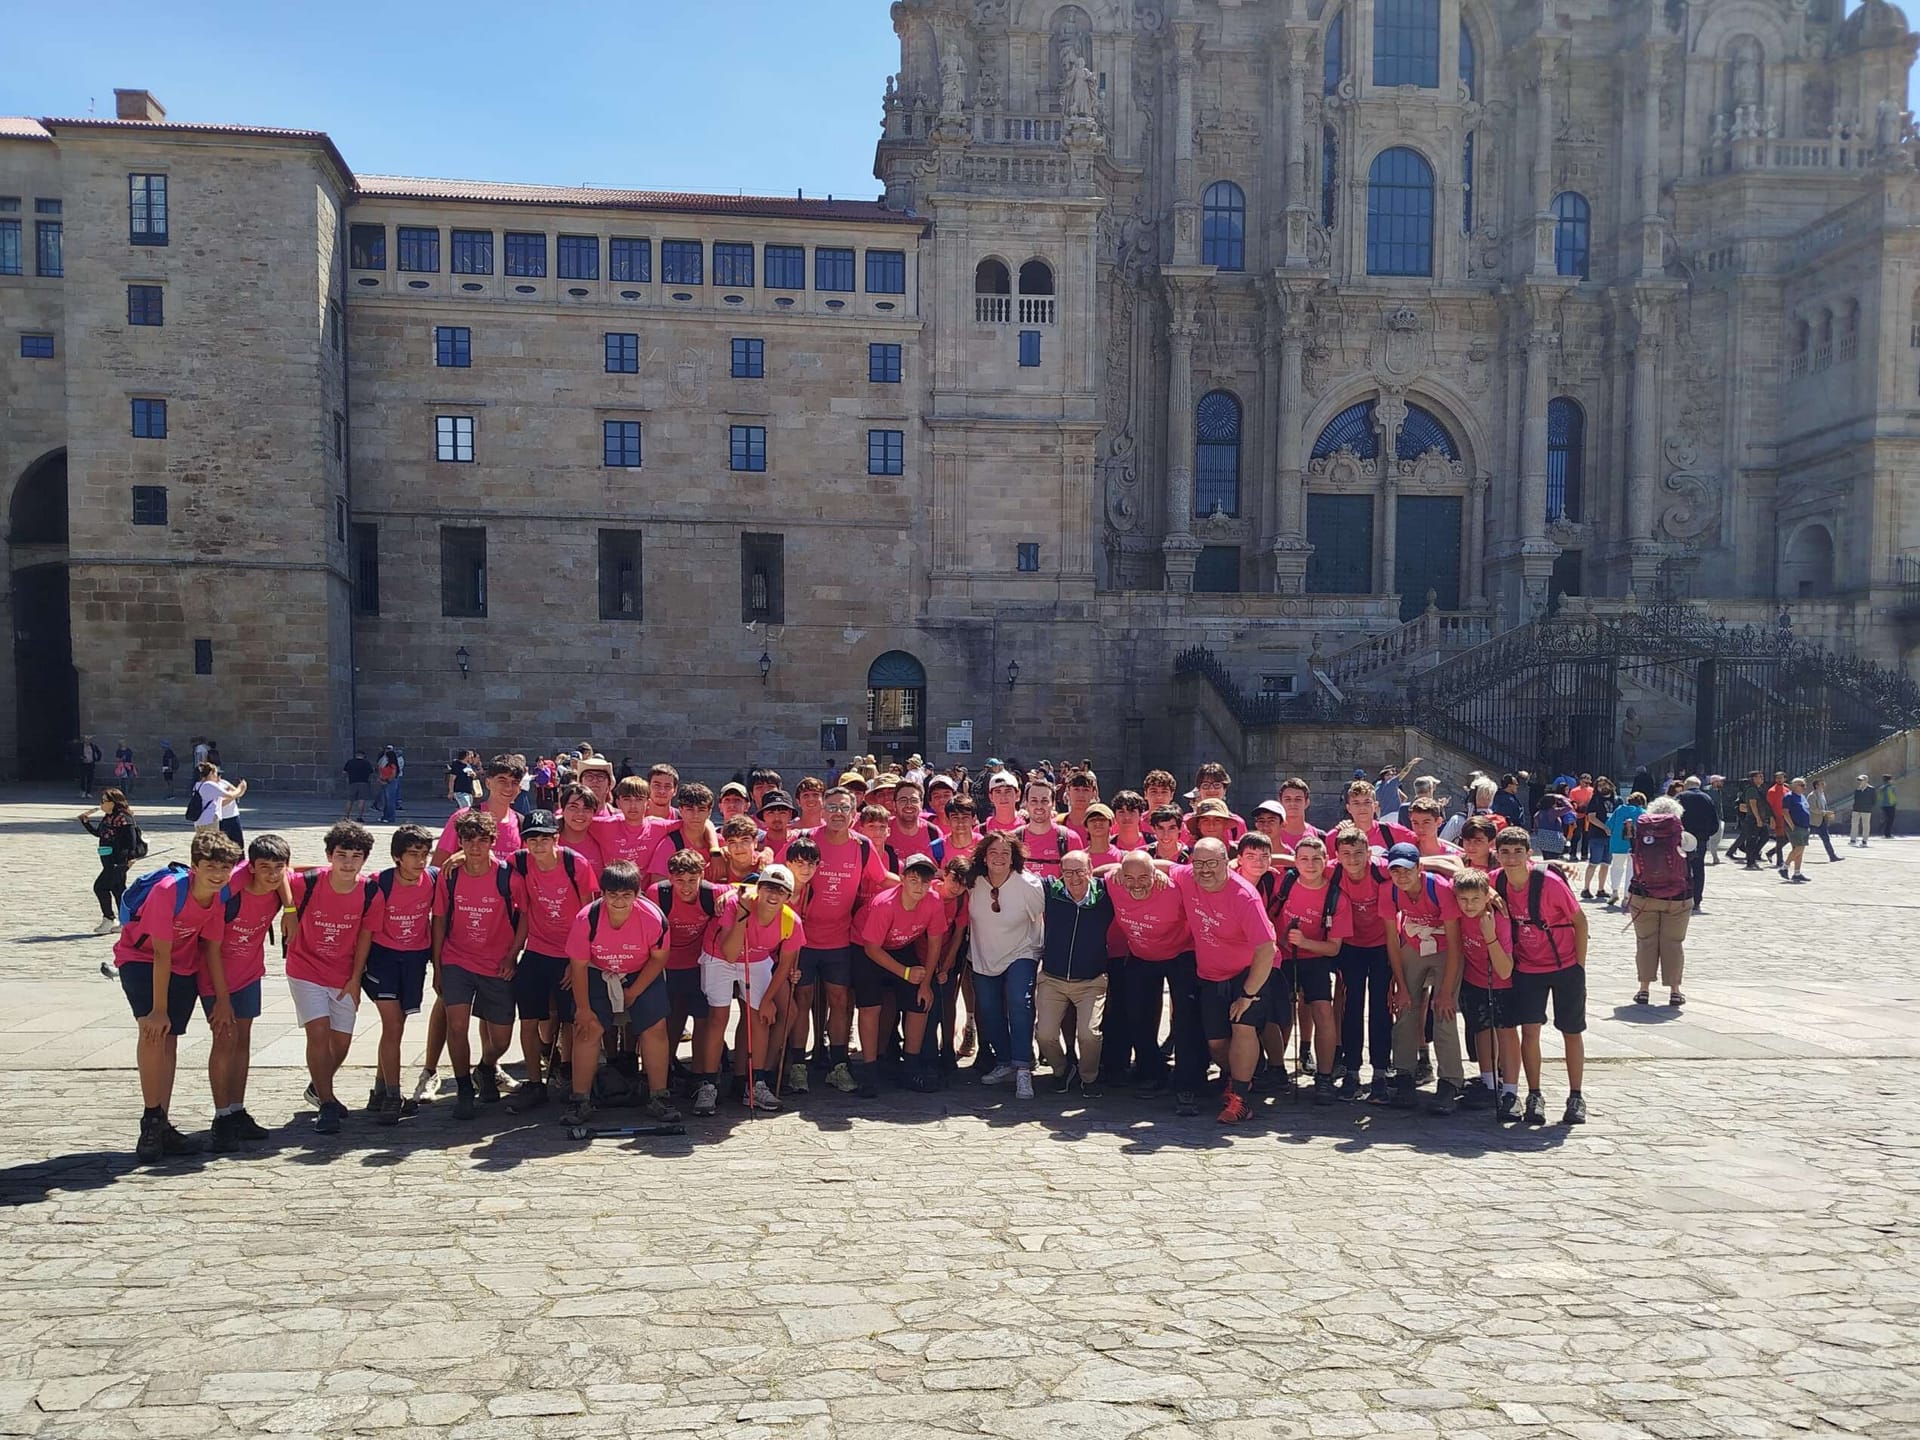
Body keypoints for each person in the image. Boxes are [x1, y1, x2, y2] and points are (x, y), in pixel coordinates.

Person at [112, 829, 242, 1161]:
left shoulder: (218, 896)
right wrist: (157, 1009)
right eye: (210, 867)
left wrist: (223, 1000)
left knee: (169, 1041)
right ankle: (151, 1120)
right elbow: (159, 954)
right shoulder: (169, 891)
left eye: (225, 868)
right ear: (194, 866)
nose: (218, 875)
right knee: (154, 1032)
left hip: (184, 966)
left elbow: (212, 948)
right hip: (141, 961)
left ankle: (162, 1122)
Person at [561, 860, 676, 1128]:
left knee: (655, 1028)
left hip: (642, 970)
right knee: (587, 1029)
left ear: (637, 895)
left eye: (626, 895)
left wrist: (635, 991)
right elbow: (577, 965)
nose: (619, 901)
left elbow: (659, 958)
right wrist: (583, 1008)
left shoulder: (654, 919)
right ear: (602, 894)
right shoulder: (586, 918)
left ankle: (659, 1095)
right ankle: (580, 1099)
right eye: (612, 895)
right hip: (596, 970)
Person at [1174, 836, 1279, 1123]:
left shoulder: (1244, 896)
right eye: (1199, 863)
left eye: (1212, 863)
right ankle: (1240, 1077)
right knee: (1217, 1042)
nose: (1205, 870)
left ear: (1226, 862)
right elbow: (1162, 867)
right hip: (1212, 973)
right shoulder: (1187, 876)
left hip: (1251, 969)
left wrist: (1248, 994)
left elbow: (1266, 949)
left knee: (1243, 1026)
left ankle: (1241, 1100)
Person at [792, 785, 889, 1093]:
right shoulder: (804, 841)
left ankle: (838, 1065)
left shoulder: (861, 846)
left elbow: (882, 877)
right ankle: (797, 1066)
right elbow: (778, 874)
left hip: (839, 939)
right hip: (801, 938)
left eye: (843, 808)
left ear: (853, 814)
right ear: (822, 811)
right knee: (802, 1001)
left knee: (839, 1001)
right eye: (831, 807)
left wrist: (925, 887)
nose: (837, 813)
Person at [1492, 826, 1589, 1125]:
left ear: (1528, 854)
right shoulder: (1496, 882)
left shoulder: (1548, 883)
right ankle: (1534, 1093)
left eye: (1517, 852)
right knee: (1530, 1031)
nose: (1511, 859)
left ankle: (1576, 1096)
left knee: (1571, 1031)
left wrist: (1579, 967)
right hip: (1528, 968)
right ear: (1497, 855)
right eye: (1505, 852)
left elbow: (1580, 922)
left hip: (1565, 965)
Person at [286, 821, 376, 1135]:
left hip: (343, 973)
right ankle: (327, 1103)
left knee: (341, 1042)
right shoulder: (307, 883)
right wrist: (288, 910)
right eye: (341, 855)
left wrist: (355, 979)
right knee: (319, 1034)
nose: (348, 862)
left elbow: (365, 937)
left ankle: (317, 1086)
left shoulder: (369, 890)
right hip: (305, 966)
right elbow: (275, 871)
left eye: (355, 856)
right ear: (329, 855)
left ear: (364, 860)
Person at [203, 833, 291, 1149]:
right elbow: (211, 949)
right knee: (224, 1042)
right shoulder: (228, 894)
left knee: (243, 1043)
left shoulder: (278, 886)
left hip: (250, 974)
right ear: (250, 867)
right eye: (264, 867)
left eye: (278, 867)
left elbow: (301, 873)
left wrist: (291, 911)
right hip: (216, 980)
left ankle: (238, 1110)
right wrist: (221, 999)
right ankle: (222, 1116)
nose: (271, 874)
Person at [506, 808, 599, 1110]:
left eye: (544, 839)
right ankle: (535, 1082)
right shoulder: (519, 862)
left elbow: (588, 916)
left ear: (556, 839)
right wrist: (513, 954)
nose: (537, 845)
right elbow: (520, 908)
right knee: (529, 1017)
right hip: (537, 948)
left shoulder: (575, 864)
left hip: (570, 951)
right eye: (531, 839)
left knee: (570, 1018)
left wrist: (578, 963)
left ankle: (567, 1072)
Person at [433, 809, 520, 1118]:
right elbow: (440, 919)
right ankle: (464, 1090)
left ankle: (485, 1068)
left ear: (493, 842)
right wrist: (438, 964)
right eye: (468, 840)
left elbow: (524, 916)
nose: (474, 847)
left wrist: (512, 955)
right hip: (457, 958)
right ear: (460, 842)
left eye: (482, 841)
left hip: (497, 963)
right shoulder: (450, 874)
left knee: (501, 1039)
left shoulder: (507, 875)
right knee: (456, 1026)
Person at [1105, 849, 1204, 1112]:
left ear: (1154, 874)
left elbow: (1185, 870)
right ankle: (1153, 1072)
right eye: (1130, 878)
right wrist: (1117, 869)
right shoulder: (1113, 882)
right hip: (1141, 954)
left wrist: (1161, 869)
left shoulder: (1172, 888)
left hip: (1180, 953)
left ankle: (1187, 1081)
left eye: (1143, 877)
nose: (1136, 884)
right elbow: (1090, 870)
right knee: (1137, 1016)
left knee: (1185, 1017)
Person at [357, 824, 441, 1124]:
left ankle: (379, 1090)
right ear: (397, 856)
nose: (420, 861)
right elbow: (364, 928)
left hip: (415, 958)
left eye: (424, 854)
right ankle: (393, 1095)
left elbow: (451, 863)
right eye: (413, 855)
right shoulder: (380, 883)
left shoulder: (432, 878)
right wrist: (355, 974)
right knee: (392, 1026)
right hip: (383, 959)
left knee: (398, 1025)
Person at [706, 864, 806, 1110]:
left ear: (788, 897)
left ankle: (756, 1084)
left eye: (781, 891)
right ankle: (707, 1084)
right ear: (758, 888)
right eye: (769, 888)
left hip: (758, 958)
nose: (773, 895)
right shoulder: (736, 904)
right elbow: (729, 953)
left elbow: (784, 966)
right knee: (719, 1017)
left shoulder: (791, 921)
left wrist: (767, 1000)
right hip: (719, 955)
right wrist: (742, 912)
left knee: (760, 1017)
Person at [853, 854, 947, 1096]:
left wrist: (926, 983)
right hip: (866, 948)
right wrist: (905, 973)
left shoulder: (934, 902)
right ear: (902, 879)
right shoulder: (885, 904)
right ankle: (870, 1071)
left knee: (921, 1001)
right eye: (914, 880)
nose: (920, 887)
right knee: (870, 1007)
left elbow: (935, 943)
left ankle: (911, 1068)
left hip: (902, 946)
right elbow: (871, 948)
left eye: (925, 882)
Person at [1381, 843, 1464, 1113]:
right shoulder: (1389, 890)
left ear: (1419, 867)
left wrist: (1445, 991)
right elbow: (1392, 941)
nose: (1401, 876)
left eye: (1407, 870)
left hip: (1444, 948)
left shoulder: (1439, 889)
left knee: (1444, 1012)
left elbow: (1455, 943)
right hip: (1415, 942)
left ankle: (1450, 1081)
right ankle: (1404, 1073)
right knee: (1405, 1009)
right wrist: (1401, 986)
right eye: (1395, 870)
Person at [965, 832, 1046, 1099]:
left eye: (1005, 853)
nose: (999, 858)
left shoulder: (1029, 885)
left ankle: (1023, 1068)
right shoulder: (972, 882)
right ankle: (1005, 1062)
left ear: (1014, 858)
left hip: (1022, 951)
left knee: (1019, 1003)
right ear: (984, 857)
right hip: (984, 955)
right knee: (988, 1009)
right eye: (993, 853)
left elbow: (1043, 918)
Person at [1033, 850, 1114, 1097]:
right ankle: (1062, 1070)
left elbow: (1131, 868)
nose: (1074, 877)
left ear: (1091, 869)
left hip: (1091, 980)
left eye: (1080, 870)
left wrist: (1114, 869)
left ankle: (1089, 1078)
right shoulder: (1051, 890)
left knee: (1089, 1035)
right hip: (1053, 978)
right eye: (1067, 872)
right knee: (1044, 1034)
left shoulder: (1105, 893)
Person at [1327, 824, 1395, 1102]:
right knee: (1351, 1007)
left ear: (1369, 852)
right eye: (1346, 853)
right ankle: (1351, 1070)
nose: (1353, 859)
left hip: (1382, 945)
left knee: (1381, 1006)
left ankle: (1380, 1071)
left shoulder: (1382, 869)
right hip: (1351, 946)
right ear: (1337, 856)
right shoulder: (1332, 871)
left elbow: (1421, 866)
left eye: (1358, 853)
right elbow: (1295, 863)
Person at [1451, 868, 1519, 1119]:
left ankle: (1511, 1091)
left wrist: (1489, 936)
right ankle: (1489, 1083)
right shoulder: (1456, 905)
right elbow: (1448, 865)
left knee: (1506, 1033)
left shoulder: (1498, 919)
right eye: (1463, 900)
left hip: (1501, 983)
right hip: (1473, 979)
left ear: (1486, 898)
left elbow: (1504, 970)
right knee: (1481, 1029)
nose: (1469, 905)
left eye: (1476, 899)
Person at [1626, 795, 1693, 1008]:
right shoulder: (1683, 836)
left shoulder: (1640, 833)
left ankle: (1643, 989)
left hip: (1644, 895)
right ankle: (1674, 991)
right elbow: (1693, 860)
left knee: (1645, 942)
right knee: (1673, 943)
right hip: (1677, 898)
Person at [79, 788, 139, 933]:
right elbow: (99, 833)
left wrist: (130, 858)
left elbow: (131, 841)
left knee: (100, 887)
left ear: (113, 803)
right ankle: (126, 921)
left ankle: (109, 918)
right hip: (107, 857)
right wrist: (85, 822)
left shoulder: (124, 818)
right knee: (118, 889)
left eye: (104, 801)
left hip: (118, 860)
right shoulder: (108, 817)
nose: (101, 804)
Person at [1676, 777, 1719, 912]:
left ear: (1686, 785)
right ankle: (1697, 899)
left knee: (1683, 867)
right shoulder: (1707, 798)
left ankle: (1684, 895)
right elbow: (1714, 821)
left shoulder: (1681, 797)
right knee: (1699, 867)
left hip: (1683, 837)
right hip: (1701, 838)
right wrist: (1707, 834)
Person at [1603, 790, 1646, 906]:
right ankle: (1627, 897)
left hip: (1618, 843)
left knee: (1616, 867)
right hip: (1634, 845)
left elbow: (1609, 826)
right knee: (1631, 871)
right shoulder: (1643, 812)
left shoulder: (1620, 809)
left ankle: (1615, 891)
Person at [191, 762, 248, 847]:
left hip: (200, 821)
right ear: (210, 773)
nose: (217, 775)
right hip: (209, 821)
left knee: (202, 845)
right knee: (212, 845)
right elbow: (231, 795)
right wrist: (241, 787)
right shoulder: (209, 785)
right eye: (215, 773)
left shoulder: (197, 785)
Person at [1578, 777, 1616, 899]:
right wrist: (1605, 827)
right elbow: (1591, 817)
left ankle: (1601, 889)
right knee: (1593, 863)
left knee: (1606, 864)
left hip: (1611, 837)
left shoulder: (1617, 800)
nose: (1603, 787)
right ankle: (1586, 888)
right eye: (1599, 785)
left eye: (1605, 784)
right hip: (1597, 836)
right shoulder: (1595, 800)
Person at [1783, 777, 1813, 882]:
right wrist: (1792, 825)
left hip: (1804, 826)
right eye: (1802, 785)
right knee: (1799, 848)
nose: (1804, 787)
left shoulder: (1802, 797)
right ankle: (1784, 867)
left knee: (1799, 851)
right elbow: (1785, 812)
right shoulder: (1789, 797)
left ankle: (1797, 872)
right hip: (1796, 826)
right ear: (1795, 786)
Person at [1807, 778, 1840, 863]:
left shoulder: (1822, 794)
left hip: (1822, 821)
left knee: (1826, 839)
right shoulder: (1812, 795)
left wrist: (1827, 814)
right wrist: (1824, 812)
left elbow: (1824, 807)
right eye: (1821, 784)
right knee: (1801, 840)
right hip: (1813, 822)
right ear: (1816, 785)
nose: (1824, 785)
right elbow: (1812, 808)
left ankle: (1832, 856)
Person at [341, 750, 375, 820]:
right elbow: (371, 772)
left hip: (352, 782)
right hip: (363, 783)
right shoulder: (366, 763)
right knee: (361, 800)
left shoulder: (350, 762)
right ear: (363, 755)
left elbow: (344, 772)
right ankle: (360, 817)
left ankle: (346, 816)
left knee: (350, 800)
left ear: (356, 755)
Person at [1850, 773, 1876, 846]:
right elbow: (1856, 799)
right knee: (1854, 824)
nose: (1860, 782)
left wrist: (1869, 806)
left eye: (1861, 780)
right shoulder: (1857, 789)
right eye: (1859, 780)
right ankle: (1853, 839)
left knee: (1865, 825)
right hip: (1856, 809)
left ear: (1866, 781)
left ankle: (1864, 840)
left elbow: (1874, 800)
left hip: (1866, 809)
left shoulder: (1871, 789)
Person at [1877, 773, 1898, 839]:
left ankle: (1885, 833)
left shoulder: (1881, 788)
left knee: (1886, 819)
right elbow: (1893, 797)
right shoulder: (1892, 787)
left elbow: (1879, 797)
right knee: (1890, 820)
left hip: (1883, 805)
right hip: (1890, 805)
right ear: (1889, 780)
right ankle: (1887, 834)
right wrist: (1894, 803)